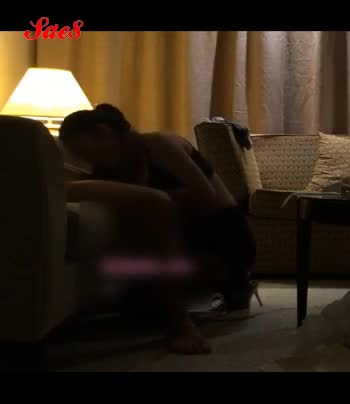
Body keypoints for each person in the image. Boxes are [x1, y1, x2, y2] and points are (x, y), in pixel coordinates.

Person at [59, 104, 257, 355]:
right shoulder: (111, 168)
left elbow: (205, 196)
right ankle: (188, 291)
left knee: (156, 212)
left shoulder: (158, 144)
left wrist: (147, 197)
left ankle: (217, 293)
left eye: (86, 152)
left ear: (103, 133)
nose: (88, 161)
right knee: (128, 293)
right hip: (182, 244)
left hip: (221, 237)